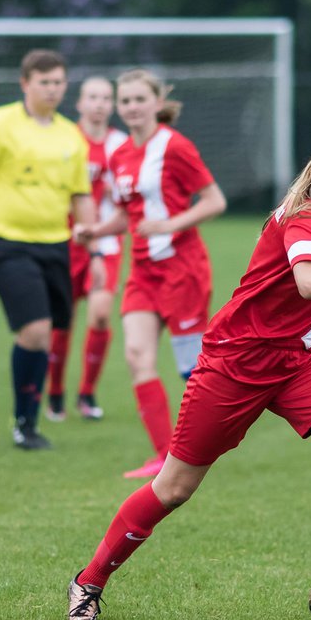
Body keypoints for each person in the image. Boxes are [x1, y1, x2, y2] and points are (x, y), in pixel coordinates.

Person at [66, 124, 311, 620]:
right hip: (235, 366)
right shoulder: (308, 215)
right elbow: (310, 282)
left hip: (295, 363)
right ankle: (87, 582)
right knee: (173, 488)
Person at [75, 68, 227, 479]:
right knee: (137, 355)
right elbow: (127, 214)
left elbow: (214, 201)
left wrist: (171, 225)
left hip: (183, 270)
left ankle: (211, 441)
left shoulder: (175, 146)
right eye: (125, 101)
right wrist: (97, 229)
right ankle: (164, 456)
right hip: (142, 272)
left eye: (140, 99)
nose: (132, 108)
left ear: (158, 103)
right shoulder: (119, 154)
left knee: (192, 371)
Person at [0, 48, 97, 451]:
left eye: (58, 83)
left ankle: (29, 421)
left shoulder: (71, 134)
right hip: (7, 243)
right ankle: (25, 424)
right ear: (25, 84)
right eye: (44, 83)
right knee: (34, 331)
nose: (52, 90)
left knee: (49, 334)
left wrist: (96, 245)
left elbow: (79, 194)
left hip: (56, 245)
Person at [44, 76, 129, 423]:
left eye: (105, 98)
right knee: (61, 324)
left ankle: (87, 393)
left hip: (105, 244)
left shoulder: (122, 145)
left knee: (99, 315)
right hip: (64, 243)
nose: (99, 103)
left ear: (112, 105)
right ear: (79, 103)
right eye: (92, 97)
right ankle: (55, 394)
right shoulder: (65, 140)